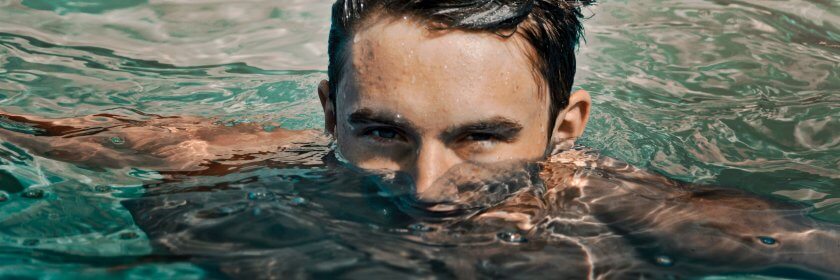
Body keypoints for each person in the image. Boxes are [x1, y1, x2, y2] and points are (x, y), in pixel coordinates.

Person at [0, 0, 837, 277]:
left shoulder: (657, 219)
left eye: (482, 139)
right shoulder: (225, 164)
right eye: (383, 133)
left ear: (567, 126)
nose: (425, 187)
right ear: (329, 113)